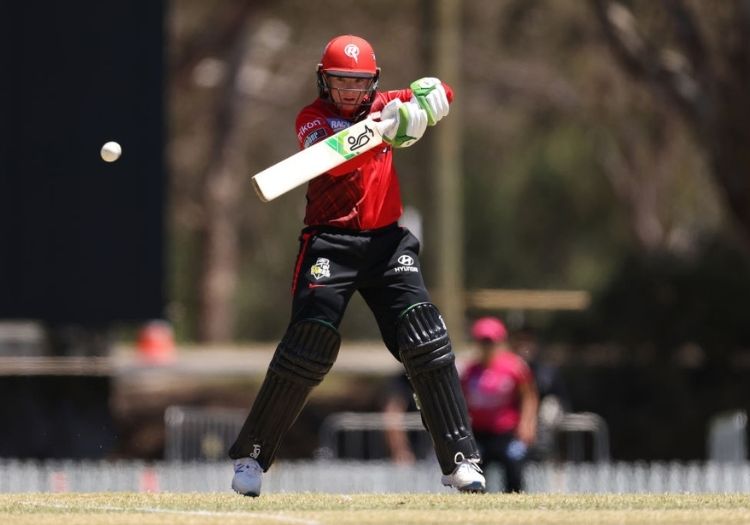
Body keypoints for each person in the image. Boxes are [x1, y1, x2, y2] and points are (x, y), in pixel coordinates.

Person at [229, 35, 485, 496]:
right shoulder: (312, 119)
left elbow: (441, 92)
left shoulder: (386, 103)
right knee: (309, 344)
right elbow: (336, 161)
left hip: (388, 243)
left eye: (360, 83)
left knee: (425, 337)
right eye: (341, 82)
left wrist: (429, 99)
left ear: (374, 82)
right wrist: (388, 129)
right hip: (330, 243)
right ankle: (252, 457)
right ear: (323, 80)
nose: (350, 91)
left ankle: (460, 461)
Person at [461, 317, 539, 492]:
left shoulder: (514, 367)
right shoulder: (469, 371)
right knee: (473, 476)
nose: (487, 347)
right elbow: (462, 400)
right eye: (483, 342)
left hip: (506, 432)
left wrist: (527, 425)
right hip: (479, 433)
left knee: (514, 470)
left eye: (490, 342)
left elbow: (529, 396)